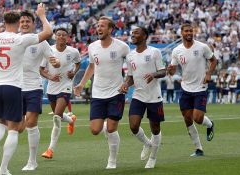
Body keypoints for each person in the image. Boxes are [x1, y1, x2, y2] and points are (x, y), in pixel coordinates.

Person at [0, 4, 52, 175]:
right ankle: (3, 169)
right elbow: (48, 32)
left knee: (0, 123)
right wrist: (42, 15)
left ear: (3, 22)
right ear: (18, 23)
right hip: (14, 87)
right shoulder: (20, 39)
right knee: (14, 129)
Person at [74, 16, 130, 169]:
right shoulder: (93, 47)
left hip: (116, 92)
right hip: (98, 93)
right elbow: (91, 67)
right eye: (98, 26)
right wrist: (81, 84)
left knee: (112, 128)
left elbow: (131, 66)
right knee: (95, 130)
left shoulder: (122, 47)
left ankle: (112, 160)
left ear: (110, 29)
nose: (99, 28)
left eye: (102, 26)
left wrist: (126, 83)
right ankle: (106, 126)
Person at [167, 21, 217, 157]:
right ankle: (198, 148)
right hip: (185, 88)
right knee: (187, 119)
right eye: (186, 31)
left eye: (190, 31)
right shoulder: (176, 51)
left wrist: (209, 73)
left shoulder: (202, 47)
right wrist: (170, 71)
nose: (189, 33)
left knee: (197, 118)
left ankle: (210, 124)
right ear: (181, 33)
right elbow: (172, 70)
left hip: (200, 87)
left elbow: (214, 60)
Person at [119, 27, 166, 168]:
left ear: (145, 36)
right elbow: (131, 76)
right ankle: (147, 143)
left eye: (136, 33)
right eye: (132, 33)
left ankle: (153, 158)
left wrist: (154, 74)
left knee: (155, 129)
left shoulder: (154, 52)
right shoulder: (130, 56)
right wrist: (126, 84)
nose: (132, 35)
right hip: (138, 95)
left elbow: (163, 71)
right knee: (133, 126)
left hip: (154, 97)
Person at [40, 27, 81, 159]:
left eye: (64, 35)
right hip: (52, 87)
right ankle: (71, 119)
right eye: (59, 35)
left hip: (66, 86)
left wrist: (73, 72)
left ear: (67, 37)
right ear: (55, 37)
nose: (61, 37)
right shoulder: (48, 50)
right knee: (59, 115)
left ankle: (50, 150)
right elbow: (41, 69)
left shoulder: (73, 51)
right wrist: (50, 77)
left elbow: (78, 64)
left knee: (57, 117)